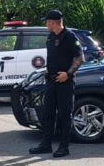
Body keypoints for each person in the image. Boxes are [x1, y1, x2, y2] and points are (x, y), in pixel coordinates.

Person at [29, 9, 84, 158]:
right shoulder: (50, 37)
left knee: (65, 115)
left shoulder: (70, 36)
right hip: (51, 80)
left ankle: (64, 147)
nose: (46, 24)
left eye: (47, 22)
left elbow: (80, 57)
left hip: (65, 81)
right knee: (48, 113)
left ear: (53, 22)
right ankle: (46, 144)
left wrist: (68, 73)